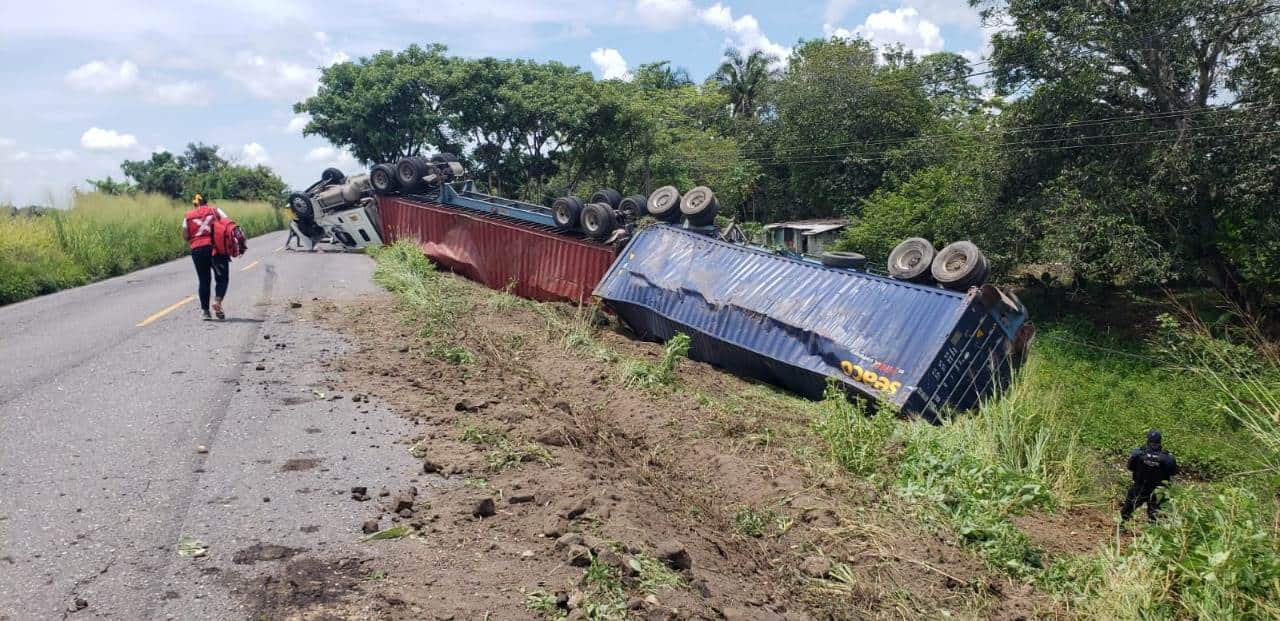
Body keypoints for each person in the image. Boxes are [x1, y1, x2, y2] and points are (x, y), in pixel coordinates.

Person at [182, 194, 230, 321]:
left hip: (197, 250)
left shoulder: (188, 216)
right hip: (216, 249)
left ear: (195, 204)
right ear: (205, 202)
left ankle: (205, 312)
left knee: (203, 280)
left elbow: (186, 236)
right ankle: (217, 302)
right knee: (222, 278)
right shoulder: (216, 211)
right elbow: (228, 225)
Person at [1121, 430, 1179, 522]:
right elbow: (1174, 472)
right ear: (1160, 441)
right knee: (1155, 514)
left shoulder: (1138, 453)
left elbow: (1130, 467)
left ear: (1148, 440)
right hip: (1158, 491)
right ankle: (1152, 533)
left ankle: (1121, 527)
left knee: (1127, 509)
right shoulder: (1168, 458)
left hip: (1140, 487)